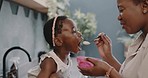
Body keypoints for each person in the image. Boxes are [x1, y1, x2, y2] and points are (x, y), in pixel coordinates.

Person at [78, 0, 148, 78]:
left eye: (121, 10)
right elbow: (126, 75)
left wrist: (107, 70)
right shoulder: (141, 40)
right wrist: (108, 56)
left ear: (144, 6)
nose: (119, 17)